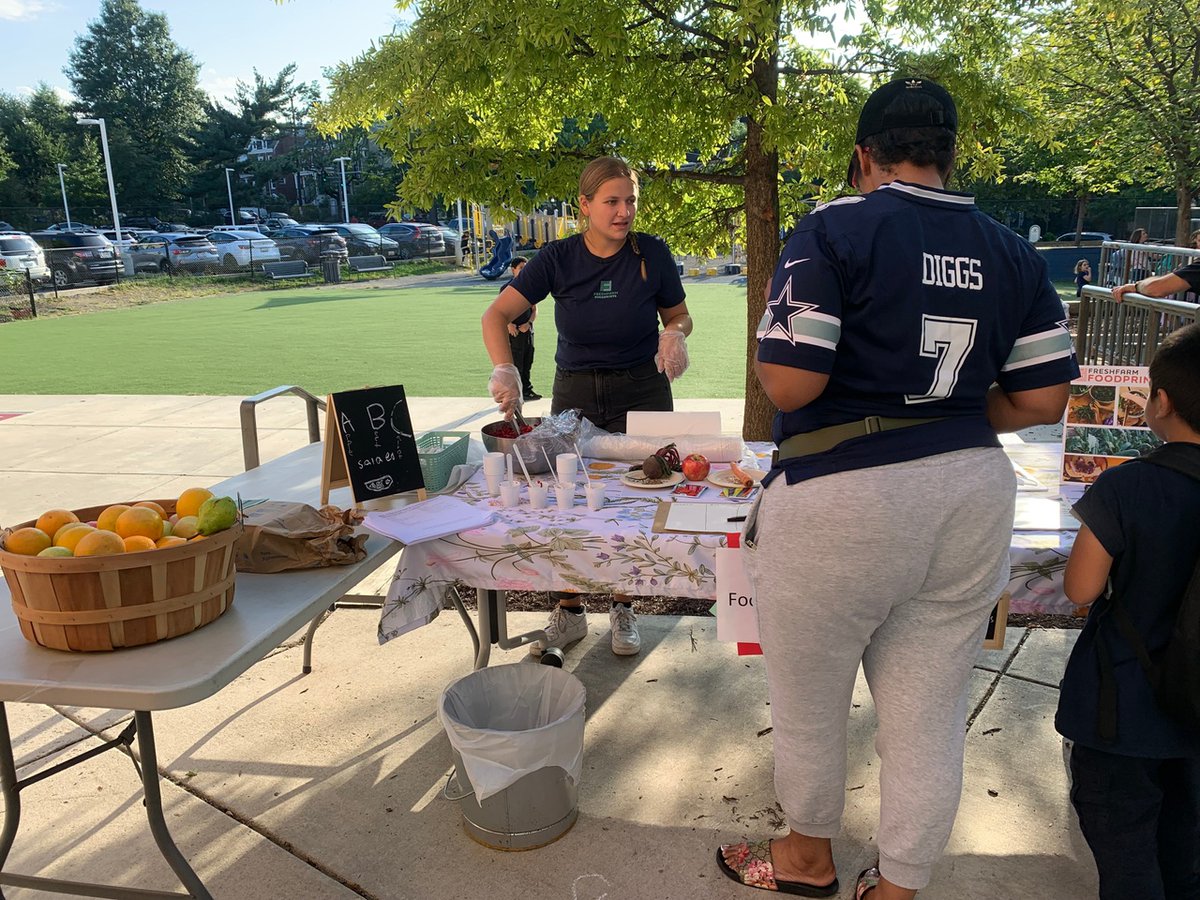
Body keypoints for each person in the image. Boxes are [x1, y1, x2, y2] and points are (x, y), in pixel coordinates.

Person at [716, 78, 1077, 899]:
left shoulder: (833, 227)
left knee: (809, 703)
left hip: (843, 495)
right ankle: (900, 885)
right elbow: (1042, 401)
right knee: (928, 717)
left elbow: (791, 385)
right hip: (971, 493)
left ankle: (807, 861)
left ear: (862, 155)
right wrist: (939, 409)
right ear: (949, 153)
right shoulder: (1010, 248)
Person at [481, 156, 693, 658]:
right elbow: (496, 315)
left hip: (643, 389)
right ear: (585, 205)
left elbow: (680, 315)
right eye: (612, 201)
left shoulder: (652, 253)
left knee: (639, 496)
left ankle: (624, 605)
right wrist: (505, 368)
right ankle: (570, 609)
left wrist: (673, 335)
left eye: (631, 201)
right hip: (575, 391)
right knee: (568, 499)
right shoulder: (558, 258)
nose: (624, 212)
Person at [1055, 323, 1200, 899]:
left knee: (1127, 855)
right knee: (1186, 856)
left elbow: (1080, 589)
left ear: (1159, 401)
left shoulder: (1127, 487)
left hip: (1125, 710)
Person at [502, 257, 540, 401]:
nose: (524, 271)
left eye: (526, 267)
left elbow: (534, 309)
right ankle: (514, 392)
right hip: (514, 332)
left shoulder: (530, 287)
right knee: (516, 364)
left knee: (527, 361)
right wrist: (509, 324)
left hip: (527, 331)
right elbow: (501, 311)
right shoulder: (507, 288)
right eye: (521, 268)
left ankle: (527, 390)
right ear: (513, 270)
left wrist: (528, 324)